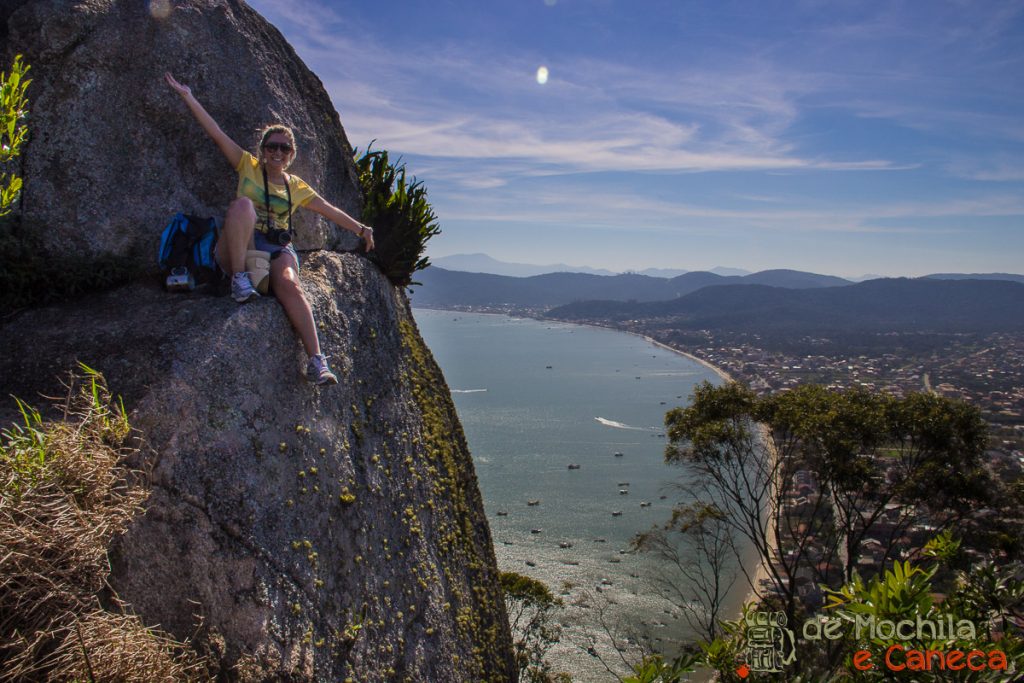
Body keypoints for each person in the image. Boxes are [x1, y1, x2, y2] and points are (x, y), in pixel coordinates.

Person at [164, 72, 374, 385]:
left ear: (291, 155)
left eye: (284, 149)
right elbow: (216, 134)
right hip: (240, 247)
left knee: (290, 284)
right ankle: (238, 280)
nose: (277, 153)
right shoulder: (246, 165)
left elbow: (330, 210)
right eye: (271, 147)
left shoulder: (297, 187)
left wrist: (362, 230)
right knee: (242, 207)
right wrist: (188, 97)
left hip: (274, 251)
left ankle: (317, 361)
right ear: (263, 149)